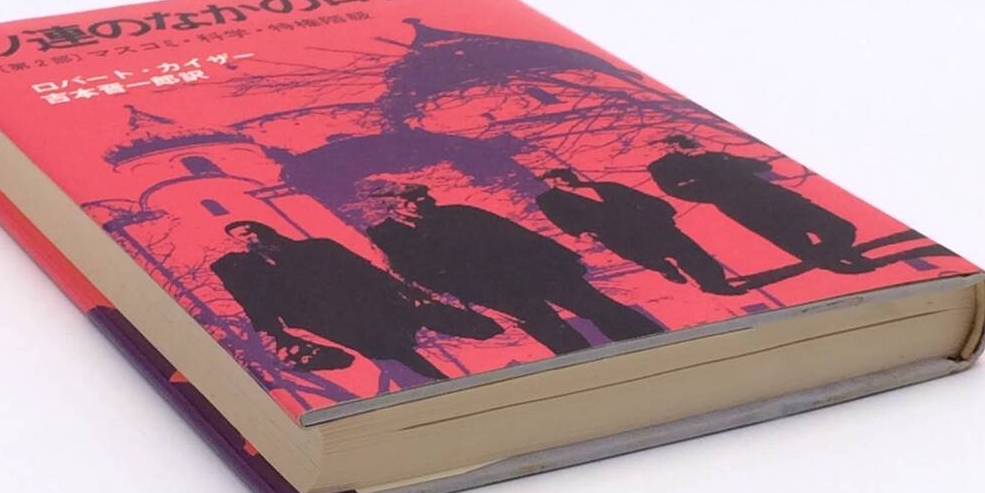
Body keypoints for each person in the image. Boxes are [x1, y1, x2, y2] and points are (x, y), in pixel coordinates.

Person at [366, 185, 661, 356]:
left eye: (423, 194)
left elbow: (518, 235)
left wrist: (564, 260)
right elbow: (411, 274)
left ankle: (652, 345)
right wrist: (470, 302)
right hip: (492, 291)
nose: (424, 200)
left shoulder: (459, 212)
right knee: (549, 329)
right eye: (412, 198)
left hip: (537, 271)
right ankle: (589, 369)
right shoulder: (387, 236)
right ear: (392, 206)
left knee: (599, 307)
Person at [212, 221, 499, 381]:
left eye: (253, 230)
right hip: (325, 323)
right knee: (386, 360)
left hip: (369, 306)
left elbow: (363, 269)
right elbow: (257, 304)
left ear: (267, 229)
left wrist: (405, 292)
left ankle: (467, 374)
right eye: (243, 235)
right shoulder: (247, 271)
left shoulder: (317, 247)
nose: (251, 236)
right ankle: (435, 384)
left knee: (413, 345)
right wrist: (274, 332)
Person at [647, 135, 871, 272]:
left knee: (840, 228)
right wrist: (717, 190)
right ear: (669, 147)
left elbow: (761, 166)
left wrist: (723, 161)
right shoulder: (663, 168)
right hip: (744, 207)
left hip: (773, 196)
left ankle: (838, 253)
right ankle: (835, 260)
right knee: (795, 242)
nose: (689, 144)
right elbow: (679, 190)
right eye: (680, 143)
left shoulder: (711, 157)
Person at [536, 168, 742, 294]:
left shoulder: (606, 186)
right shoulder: (551, 200)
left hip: (648, 225)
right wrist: (581, 233)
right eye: (557, 177)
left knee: (688, 251)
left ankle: (715, 284)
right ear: (551, 181)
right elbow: (561, 219)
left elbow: (641, 198)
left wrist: (664, 212)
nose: (565, 178)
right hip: (616, 235)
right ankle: (665, 269)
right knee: (647, 258)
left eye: (565, 173)